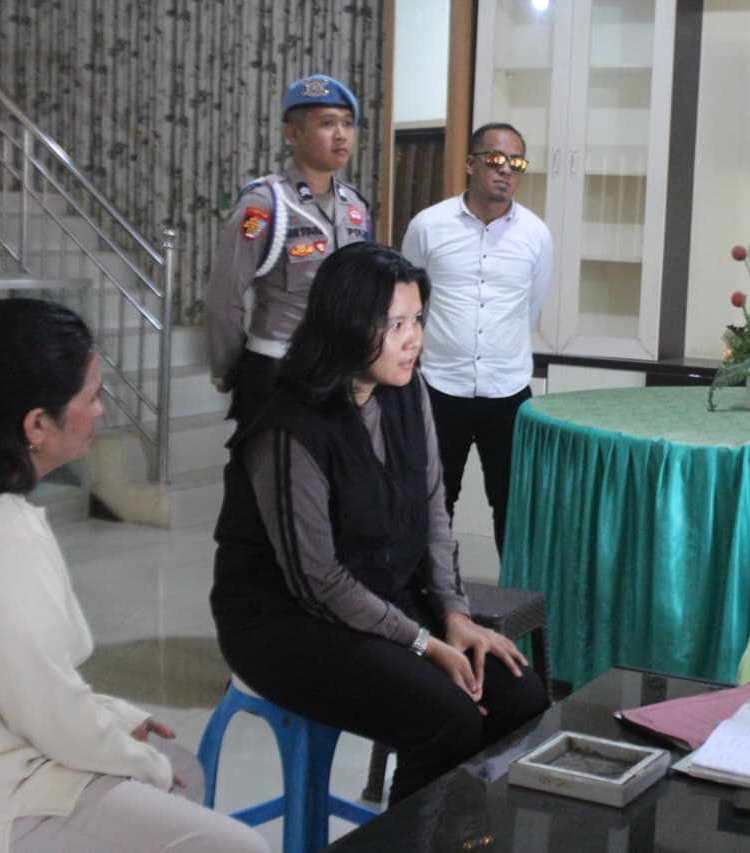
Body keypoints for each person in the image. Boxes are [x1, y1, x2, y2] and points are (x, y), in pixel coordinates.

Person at [0, 299, 267, 853]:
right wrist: (138, 759)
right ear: (37, 424)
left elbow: (12, 681)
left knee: (180, 769)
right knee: (238, 844)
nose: (101, 411)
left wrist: (113, 717)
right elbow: (46, 710)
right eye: (92, 396)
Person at [210, 243, 549, 805]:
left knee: (521, 698)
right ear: (345, 324)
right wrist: (423, 644)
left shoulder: (406, 391)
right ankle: (410, 839)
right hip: (286, 623)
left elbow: (435, 514)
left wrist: (455, 616)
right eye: (396, 325)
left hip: (383, 600)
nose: (414, 339)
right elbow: (317, 580)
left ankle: (465, 834)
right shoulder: (288, 426)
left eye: (417, 320)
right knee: (448, 718)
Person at [401, 122, 553, 554]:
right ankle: (429, 589)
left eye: (516, 163)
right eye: (495, 159)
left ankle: (515, 594)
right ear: (470, 163)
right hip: (439, 387)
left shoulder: (536, 235)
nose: (506, 170)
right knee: (432, 502)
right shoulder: (428, 226)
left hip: (508, 391)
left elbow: (530, 307)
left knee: (513, 506)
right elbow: (408, 303)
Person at [206, 73, 371, 424]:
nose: (341, 135)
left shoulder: (355, 205)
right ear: (293, 134)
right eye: (327, 123)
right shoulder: (265, 205)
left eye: (347, 123)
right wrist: (231, 368)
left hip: (340, 368)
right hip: (279, 366)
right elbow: (224, 295)